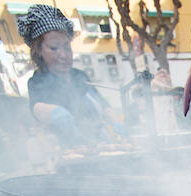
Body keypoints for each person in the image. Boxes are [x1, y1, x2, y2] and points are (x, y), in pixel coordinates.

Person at [17, 4, 124, 147]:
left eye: (67, 47)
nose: (63, 55)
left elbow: (103, 105)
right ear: (39, 51)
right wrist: (56, 114)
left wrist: (116, 121)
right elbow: (37, 108)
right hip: (69, 151)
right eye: (54, 48)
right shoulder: (38, 81)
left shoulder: (80, 76)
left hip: (101, 144)